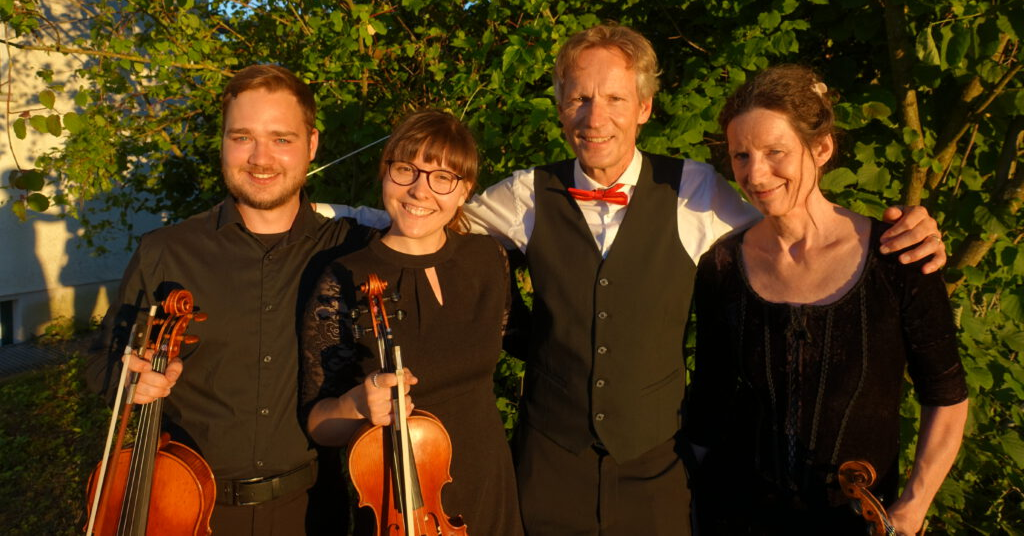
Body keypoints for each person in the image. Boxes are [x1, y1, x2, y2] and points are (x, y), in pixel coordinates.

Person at [320, 23, 946, 535]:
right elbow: (425, 215)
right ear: (561, 105)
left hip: (657, 473)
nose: (596, 118)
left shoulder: (696, 190)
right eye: (579, 98)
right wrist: (322, 216)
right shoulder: (524, 195)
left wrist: (900, 229)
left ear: (644, 106)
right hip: (546, 469)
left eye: (615, 99)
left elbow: (792, 215)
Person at [86, 64, 373, 535]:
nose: (261, 158)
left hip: (314, 511)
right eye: (242, 137)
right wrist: (128, 377)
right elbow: (102, 359)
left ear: (312, 144)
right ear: (222, 141)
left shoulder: (351, 248)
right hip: (188, 508)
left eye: (281, 139)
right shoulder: (166, 251)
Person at [684, 65, 969, 535]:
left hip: (856, 521)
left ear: (821, 149)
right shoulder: (721, 266)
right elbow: (711, 401)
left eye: (776, 152)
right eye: (741, 156)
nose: (756, 174)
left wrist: (913, 507)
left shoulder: (897, 258)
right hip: (736, 517)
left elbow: (946, 396)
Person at [300, 110, 524, 536]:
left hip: (491, 491)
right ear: (385, 174)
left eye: (443, 177)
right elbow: (317, 422)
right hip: (398, 507)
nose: (421, 190)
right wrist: (356, 406)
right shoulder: (344, 277)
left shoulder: (487, 259)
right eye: (406, 170)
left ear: (464, 192)